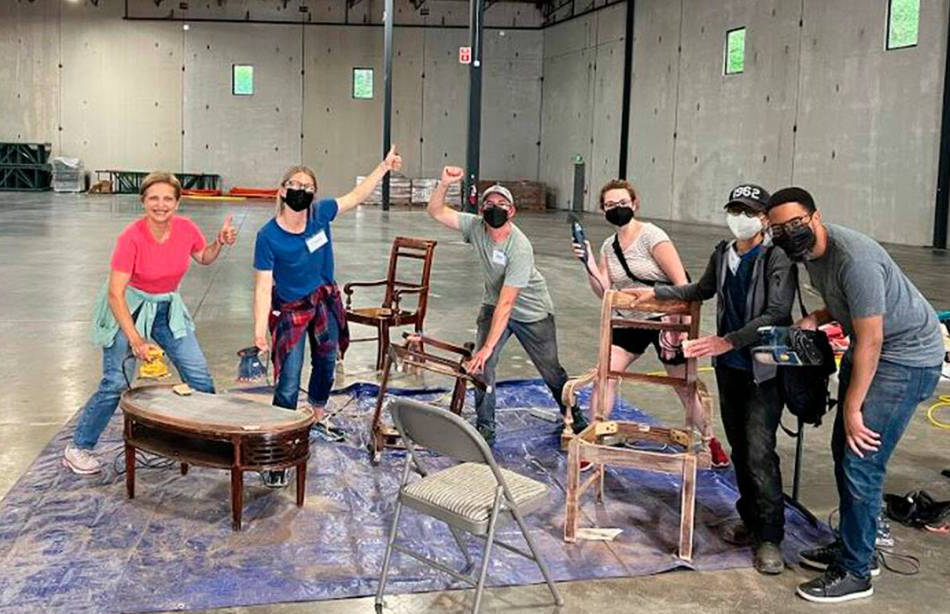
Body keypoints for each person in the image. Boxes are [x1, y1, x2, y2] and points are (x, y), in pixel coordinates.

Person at [765, 187, 943, 603]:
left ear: (815, 217)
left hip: (905, 358)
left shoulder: (854, 258)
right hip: (880, 350)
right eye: (778, 229)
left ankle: (856, 571)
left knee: (861, 456)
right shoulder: (811, 255)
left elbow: (872, 340)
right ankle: (853, 544)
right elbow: (845, 302)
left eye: (796, 224)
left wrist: (852, 407)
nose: (789, 234)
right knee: (843, 448)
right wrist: (815, 316)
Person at [629, 183, 795, 573]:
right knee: (740, 448)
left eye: (749, 211)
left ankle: (769, 537)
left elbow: (776, 313)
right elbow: (700, 289)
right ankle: (749, 519)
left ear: (765, 219)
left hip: (761, 369)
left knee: (759, 451)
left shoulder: (777, 258)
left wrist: (727, 341)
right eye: (735, 209)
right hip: (729, 369)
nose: (740, 218)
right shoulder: (724, 254)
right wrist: (655, 294)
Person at [63, 172, 237, 475]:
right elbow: (115, 293)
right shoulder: (131, 237)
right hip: (128, 308)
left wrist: (219, 242)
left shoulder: (186, 229)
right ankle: (79, 447)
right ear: (143, 201)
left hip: (166, 307)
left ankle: (198, 440)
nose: (161, 204)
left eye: (168, 198)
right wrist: (135, 340)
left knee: (199, 377)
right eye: (153, 198)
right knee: (116, 383)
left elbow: (205, 257)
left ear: (177, 202)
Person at [252, 147, 402, 486]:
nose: (300, 191)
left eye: (307, 186)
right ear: (281, 190)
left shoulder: (320, 214)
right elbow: (262, 287)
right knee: (288, 381)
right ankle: (279, 447)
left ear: (314, 194)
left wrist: (383, 167)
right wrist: (260, 332)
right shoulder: (267, 236)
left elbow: (356, 196)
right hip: (290, 310)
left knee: (325, 363)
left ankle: (317, 415)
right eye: (294, 184)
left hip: (323, 303)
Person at [426, 166, 588, 446]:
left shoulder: (520, 247)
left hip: (531, 313)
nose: (495, 209)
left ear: (512, 212)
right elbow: (436, 211)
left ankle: (576, 418)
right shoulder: (475, 226)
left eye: (502, 205)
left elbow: (508, 302)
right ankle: (486, 427)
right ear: (481, 210)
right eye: (489, 204)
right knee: (481, 366)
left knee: (551, 371)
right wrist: (444, 185)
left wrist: (488, 346)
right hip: (493, 304)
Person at [573, 179, 728, 467]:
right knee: (605, 376)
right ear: (602, 209)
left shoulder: (652, 236)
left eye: (622, 203)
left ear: (634, 203)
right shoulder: (609, 245)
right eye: (609, 205)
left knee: (683, 383)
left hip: (666, 319)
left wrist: (683, 327)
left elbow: (683, 284)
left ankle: (710, 441)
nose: (616, 209)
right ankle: (591, 440)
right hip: (629, 320)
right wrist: (589, 264)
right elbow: (604, 291)